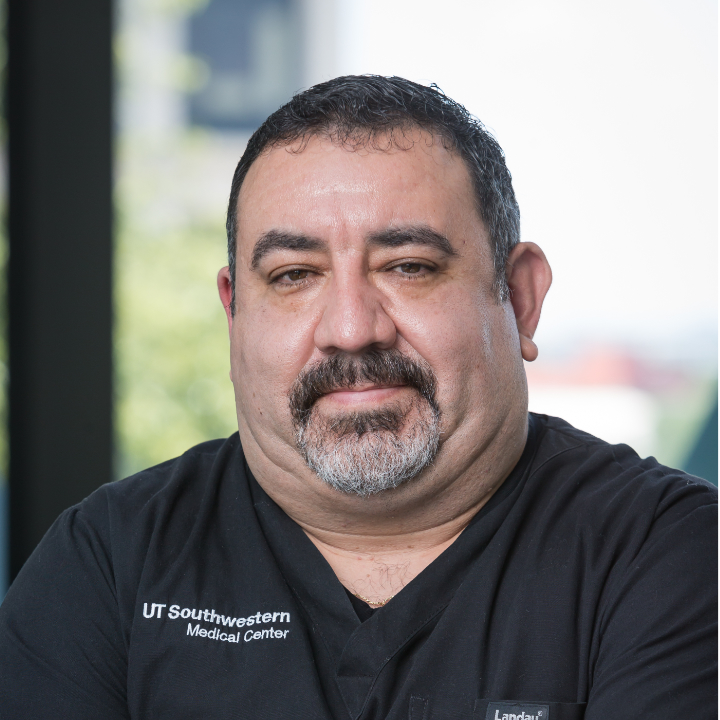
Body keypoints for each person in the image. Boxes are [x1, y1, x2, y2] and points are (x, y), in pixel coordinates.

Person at [0, 75, 715, 719]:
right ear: (234, 313)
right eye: (293, 275)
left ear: (520, 299)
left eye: (408, 266)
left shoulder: (667, 554)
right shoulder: (108, 563)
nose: (350, 329)